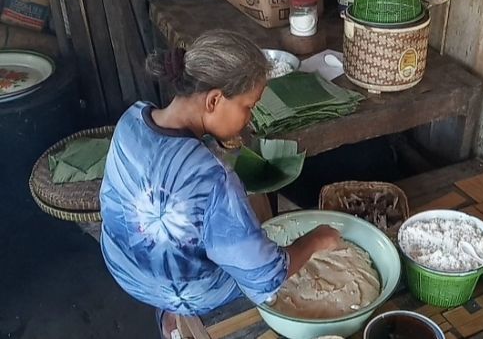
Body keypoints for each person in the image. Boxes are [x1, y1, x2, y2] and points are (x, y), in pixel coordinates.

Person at [99, 30, 341, 339]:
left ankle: (169, 319)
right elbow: (266, 276)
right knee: (257, 240)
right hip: (189, 291)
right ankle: (181, 310)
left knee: (206, 227)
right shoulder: (212, 177)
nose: (250, 118)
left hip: (123, 264)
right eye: (248, 106)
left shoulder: (132, 119)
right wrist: (316, 240)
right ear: (214, 100)